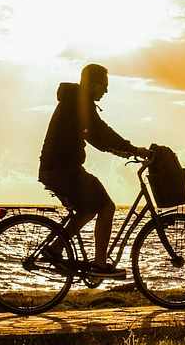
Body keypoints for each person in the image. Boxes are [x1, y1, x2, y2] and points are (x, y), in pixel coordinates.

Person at [38, 63, 148, 276]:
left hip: (56, 168)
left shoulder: (75, 102)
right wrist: (133, 148)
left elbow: (94, 136)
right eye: (104, 85)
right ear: (93, 84)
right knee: (106, 206)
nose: (106, 91)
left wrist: (123, 151)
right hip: (62, 169)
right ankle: (99, 264)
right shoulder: (79, 103)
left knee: (88, 209)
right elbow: (100, 131)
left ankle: (55, 249)